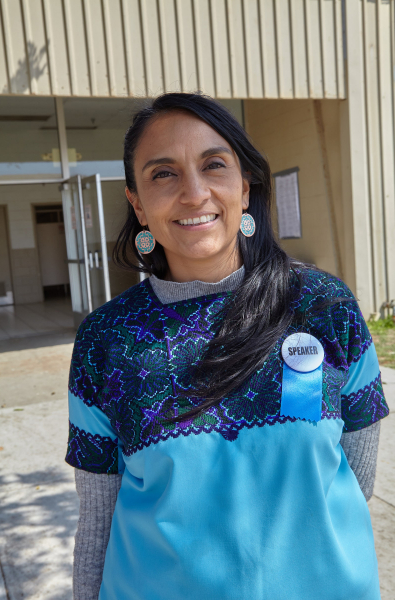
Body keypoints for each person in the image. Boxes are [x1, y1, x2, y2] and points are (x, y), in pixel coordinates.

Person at [66, 92, 389, 600]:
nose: (194, 193)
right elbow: (98, 525)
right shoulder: (106, 340)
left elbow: (357, 478)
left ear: (244, 186)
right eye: (163, 174)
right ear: (137, 204)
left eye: (213, 165)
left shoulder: (324, 307)